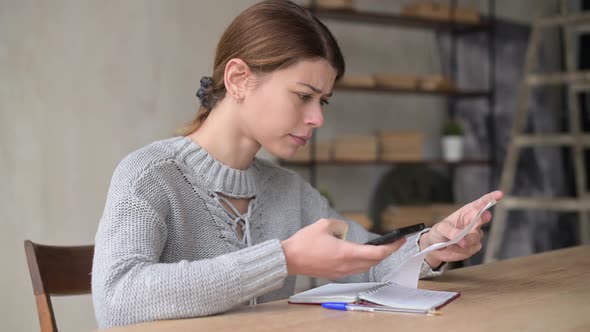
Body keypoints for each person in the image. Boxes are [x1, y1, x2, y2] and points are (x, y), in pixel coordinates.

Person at [91, 0, 503, 328]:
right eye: (302, 96)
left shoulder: (289, 190)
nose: (317, 119)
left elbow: (370, 262)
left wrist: (433, 246)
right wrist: (283, 259)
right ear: (237, 79)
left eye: (322, 101)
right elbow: (116, 300)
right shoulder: (150, 175)